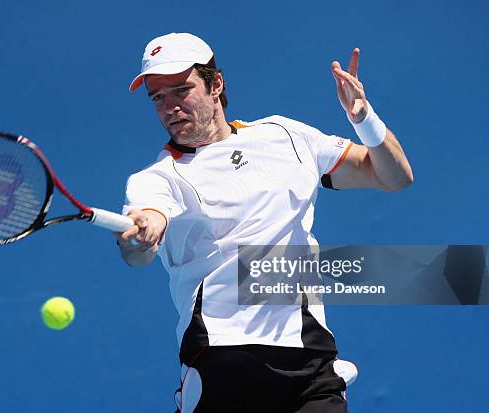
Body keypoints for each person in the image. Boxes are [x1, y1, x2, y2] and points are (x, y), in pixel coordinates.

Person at [116, 33, 413, 413]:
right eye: (158, 97)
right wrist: (142, 235)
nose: (170, 107)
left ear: (216, 85)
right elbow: (144, 233)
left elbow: (394, 176)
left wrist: (364, 119)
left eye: (180, 90)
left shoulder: (286, 136)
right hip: (222, 360)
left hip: (310, 362)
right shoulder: (157, 179)